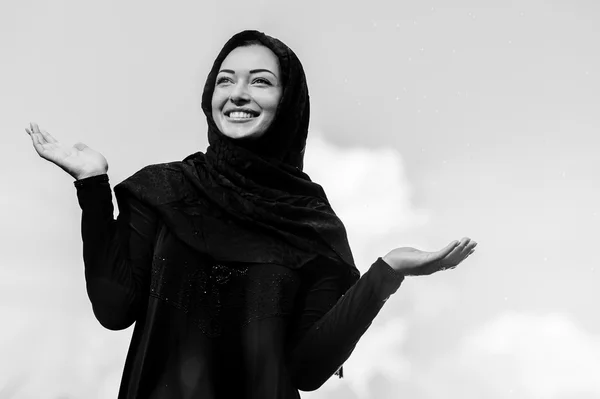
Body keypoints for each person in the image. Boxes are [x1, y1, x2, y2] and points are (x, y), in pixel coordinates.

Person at [25, 30, 477, 399]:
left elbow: (308, 368)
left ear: (289, 102)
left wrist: (386, 273)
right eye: (226, 80)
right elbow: (114, 306)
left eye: (260, 81)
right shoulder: (164, 190)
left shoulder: (310, 223)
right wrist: (92, 185)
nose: (238, 94)